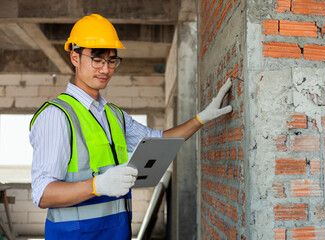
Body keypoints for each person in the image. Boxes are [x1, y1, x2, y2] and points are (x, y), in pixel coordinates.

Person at [29, 14, 232, 240]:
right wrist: (97, 185)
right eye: (97, 59)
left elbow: (159, 140)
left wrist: (201, 118)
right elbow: (43, 194)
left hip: (118, 233)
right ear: (74, 57)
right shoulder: (56, 116)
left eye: (111, 60)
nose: (105, 69)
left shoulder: (115, 115)